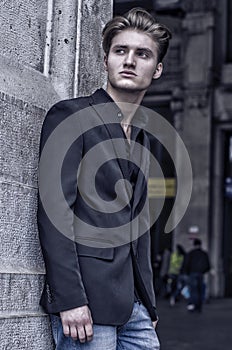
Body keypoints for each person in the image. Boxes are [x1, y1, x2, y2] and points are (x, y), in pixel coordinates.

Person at [37, 8, 171, 349]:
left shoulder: (144, 140)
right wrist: (68, 299)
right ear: (107, 59)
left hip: (135, 309)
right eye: (120, 51)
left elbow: (140, 230)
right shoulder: (71, 116)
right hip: (86, 305)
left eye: (142, 54)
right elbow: (55, 213)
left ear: (156, 69)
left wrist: (149, 301)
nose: (129, 61)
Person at [183, 238, 210, 312]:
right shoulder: (204, 254)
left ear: (194, 245)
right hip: (200, 274)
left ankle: (193, 306)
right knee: (200, 290)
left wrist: (187, 272)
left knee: (193, 290)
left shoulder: (191, 253)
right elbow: (207, 265)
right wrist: (203, 271)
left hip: (192, 273)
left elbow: (186, 264)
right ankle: (199, 306)